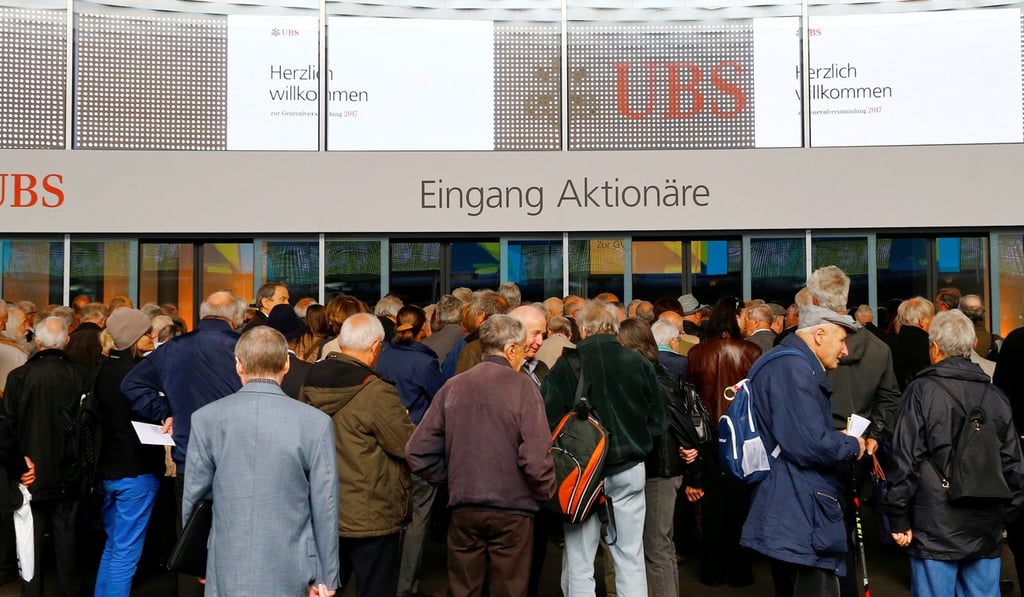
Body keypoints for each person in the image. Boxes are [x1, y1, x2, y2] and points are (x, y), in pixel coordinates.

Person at [183, 327, 340, 597]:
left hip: (226, 559)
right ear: (287, 363)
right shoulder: (316, 423)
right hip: (295, 564)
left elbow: (194, 498)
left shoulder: (206, 418)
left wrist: (197, 558)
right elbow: (325, 504)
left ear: (238, 364)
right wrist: (327, 575)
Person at [406, 315, 555, 597]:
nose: (523, 356)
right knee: (509, 590)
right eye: (523, 350)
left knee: (462, 589)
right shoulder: (524, 388)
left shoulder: (452, 386)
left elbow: (416, 450)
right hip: (514, 509)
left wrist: (451, 480)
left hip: (464, 507)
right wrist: (543, 493)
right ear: (511, 350)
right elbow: (536, 457)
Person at [885, 310, 1024, 597]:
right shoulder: (996, 397)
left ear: (934, 348)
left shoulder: (921, 392)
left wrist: (898, 517)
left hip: (933, 524)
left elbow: (905, 459)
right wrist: (1003, 518)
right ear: (973, 345)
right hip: (985, 525)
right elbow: (1014, 467)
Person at [121, 290, 242, 597]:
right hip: (237, 456)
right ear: (235, 316)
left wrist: (167, 411)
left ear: (203, 314)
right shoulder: (241, 346)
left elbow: (131, 384)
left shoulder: (173, 348)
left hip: (189, 455)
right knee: (237, 538)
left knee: (190, 537)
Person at [541, 301, 666, 596]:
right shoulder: (638, 362)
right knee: (630, 557)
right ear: (614, 328)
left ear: (582, 330)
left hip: (581, 474)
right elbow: (659, 420)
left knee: (579, 559)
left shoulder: (566, 365)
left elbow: (546, 419)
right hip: (629, 469)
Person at [740, 305, 864, 597]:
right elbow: (808, 445)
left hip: (790, 499)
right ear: (819, 335)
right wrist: (851, 444)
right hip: (797, 503)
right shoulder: (793, 368)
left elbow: (796, 434)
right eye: (842, 340)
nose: (845, 351)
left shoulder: (785, 362)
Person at [300, 313, 415, 597]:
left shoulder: (310, 382)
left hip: (322, 508)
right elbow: (406, 445)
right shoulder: (377, 391)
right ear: (376, 346)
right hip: (370, 512)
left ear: (340, 341)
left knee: (323, 589)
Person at [3, 316, 87, 597]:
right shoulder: (80, 375)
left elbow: (8, 428)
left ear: (37, 341)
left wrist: (18, 467)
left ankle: (31, 593)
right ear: (66, 341)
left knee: (30, 544)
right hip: (68, 472)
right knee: (68, 545)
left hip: (30, 473)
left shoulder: (19, 377)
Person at [686, 296, 761, 587]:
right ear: (735, 317)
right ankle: (740, 570)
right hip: (742, 435)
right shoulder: (752, 351)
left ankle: (712, 570)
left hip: (707, 436)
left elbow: (691, 398)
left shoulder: (697, 353)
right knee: (741, 503)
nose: (746, 321)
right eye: (744, 316)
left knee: (712, 504)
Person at [93, 308, 166, 597]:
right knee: (125, 554)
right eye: (148, 332)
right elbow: (152, 411)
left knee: (113, 546)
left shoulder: (101, 369)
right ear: (135, 337)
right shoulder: (137, 374)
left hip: (107, 469)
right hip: (136, 469)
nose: (153, 336)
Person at [374, 306, 445, 597]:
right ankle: (406, 586)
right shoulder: (425, 363)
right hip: (418, 447)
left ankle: (386, 581)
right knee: (418, 519)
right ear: (423, 328)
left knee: (387, 517)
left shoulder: (382, 355)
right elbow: (441, 402)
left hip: (384, 446)